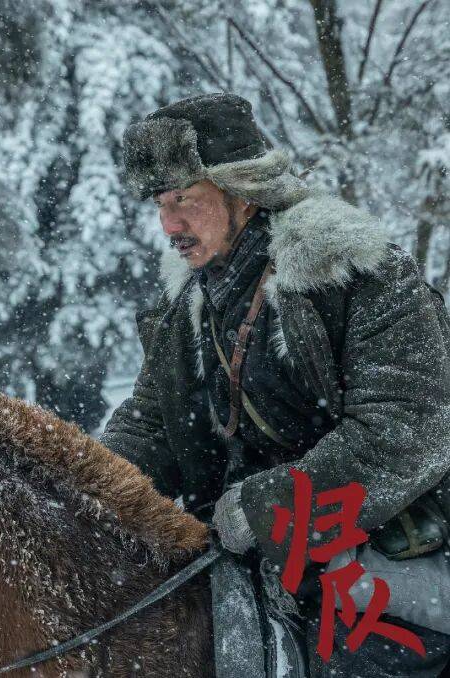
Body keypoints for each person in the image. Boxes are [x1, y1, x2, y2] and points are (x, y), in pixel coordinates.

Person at [100, 92, 450, 677]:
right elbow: (152, 425)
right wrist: (86, 490)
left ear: (242, 192)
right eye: (161, 204)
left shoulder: (361, 274)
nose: (169, 225)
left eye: (184, 199)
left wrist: (268, 509)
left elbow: (408, 432)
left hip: (386, 555)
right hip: (246, 563)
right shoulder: (187, 304)